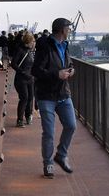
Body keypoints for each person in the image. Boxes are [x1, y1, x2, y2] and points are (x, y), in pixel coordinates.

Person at [31, 17, 76, 178]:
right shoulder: (44, 45)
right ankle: (48, 163)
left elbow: (68, 63)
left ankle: (61, 155)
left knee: (71, 125)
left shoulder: (65, 45)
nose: (70, 30)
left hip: (63, 94)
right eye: (68, 28)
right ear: (62, 29)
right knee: (49, 132)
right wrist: (56, 74)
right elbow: (36, 70)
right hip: (46, 96)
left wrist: (71, 70)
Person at [12, 31, 35, 127]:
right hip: (21, 79)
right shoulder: (20, 50)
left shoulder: (30, 51)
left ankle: (28, 116)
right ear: (28, 41)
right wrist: (22, 72)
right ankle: (20, 120)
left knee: (30, 98)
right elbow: (13, 64)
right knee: (24, 98)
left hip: (30, 78)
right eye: (33, 41)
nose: (34, 43)